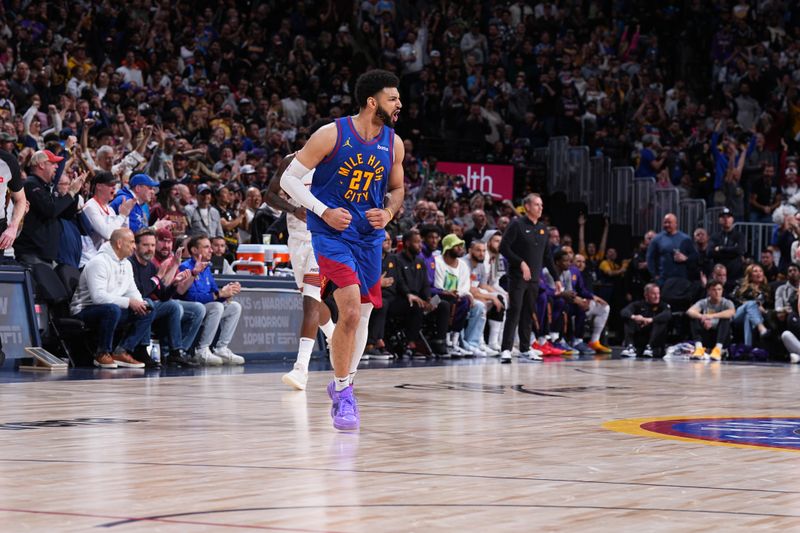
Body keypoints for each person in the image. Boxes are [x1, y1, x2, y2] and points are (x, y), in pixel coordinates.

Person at [280, 69, 404, 430]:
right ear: (372, 102)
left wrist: (390, 211)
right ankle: (346, 394)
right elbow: (288, 179)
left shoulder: (394, 143)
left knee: (362, 314)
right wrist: (322, 211)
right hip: (331, 234)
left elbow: (397, 190)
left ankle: (341, 383)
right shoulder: (331, 134)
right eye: (393, 98)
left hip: (368, 237)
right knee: (348, 310)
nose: (399, 104)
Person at [265, 146, 336, 390]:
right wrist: (293, 209)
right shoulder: (291, 161)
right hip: (296, 240)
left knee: (310, 299)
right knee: (312, 300)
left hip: (323, 241)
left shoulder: (339, 164)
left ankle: (300, 369)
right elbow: (270, 195)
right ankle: (336, 338)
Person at [69, 228, 154, 369]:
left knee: (148, 308)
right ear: (119, 243)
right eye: (132, 242)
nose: (134, 246)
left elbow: (131, 290)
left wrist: (141, 303)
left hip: (111, 309)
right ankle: (102, 353)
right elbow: (98, 298)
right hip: (84, 310)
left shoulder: (126, 264)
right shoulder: (98, 262)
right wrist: (129, 302)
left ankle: (122, 351)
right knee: (112, 309)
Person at [129, 228, 205, 368]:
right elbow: (141, 292)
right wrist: (159, 276)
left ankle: (175, 352)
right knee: (149, 303)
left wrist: (174, 284)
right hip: (133, 305)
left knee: (172, 305)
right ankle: (142, 350)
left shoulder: (150, 266)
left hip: (151, 304)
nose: (149, 249)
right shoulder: (131, 264)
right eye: (146, 245)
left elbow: (163, 295)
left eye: (151, 245)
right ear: (136, 246)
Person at [498, 193, 561, 362]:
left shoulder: (542, 229)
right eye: (537, 205)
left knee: (528, 312)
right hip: (517, 277)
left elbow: (547, 256)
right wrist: (521, 263)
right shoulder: (516, 225)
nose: (540, 208)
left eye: (541, 205)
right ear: (527, 207)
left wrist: (556, 278)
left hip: (534, 279)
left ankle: (525, 349)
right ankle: (506, 349)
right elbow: (504, 248)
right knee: (515, 310)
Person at [178, 234, 245, 366]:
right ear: (194, 250)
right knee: (217, 307)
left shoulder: (206, 268)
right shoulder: (185, 267)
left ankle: (221, 348)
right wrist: (219, 294)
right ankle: (202, 349)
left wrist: (227, 292)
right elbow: (190, 297)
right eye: (206, 247)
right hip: (192, 309)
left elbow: (215, 292)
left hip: (207, 308)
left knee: (234, 307)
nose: (211, 250)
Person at [15, 150, 83, 266]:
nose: (56, 167)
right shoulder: (31, 185)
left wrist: (75, 192)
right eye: (53, 163)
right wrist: (70, 192)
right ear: (41, 165)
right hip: (32, 253)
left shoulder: (45, 187)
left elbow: (65, 214)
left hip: (44, 254)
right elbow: (50, 210)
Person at [393, 228, 451, 357]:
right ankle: (411, 343)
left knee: (443, 305)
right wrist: (409, 294)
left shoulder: (420, 261)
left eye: (421, 242)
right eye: (417, 242)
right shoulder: (396, 259)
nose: (421, 245)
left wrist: (429, 298)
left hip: (419, 299)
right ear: (407, 243)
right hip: (401, 298)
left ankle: (439, 341)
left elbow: (425, 284)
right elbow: (399, 281)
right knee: (417, 306)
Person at [81, 171, 135, 266]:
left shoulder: (110, 210)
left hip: (104, 260)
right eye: (110, 185)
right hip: (89, 261)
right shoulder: (90, 207)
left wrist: (125, 215)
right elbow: (108, 234)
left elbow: (124, 234)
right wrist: (122, 215)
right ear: (99, 186)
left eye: (115, 185)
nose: (114, 187)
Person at [686, 280, 735, 361]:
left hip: (722, 337)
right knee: (694, 318)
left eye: (719, 289)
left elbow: (731, 312)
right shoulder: (704, 302)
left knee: (725, 320)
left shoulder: (727, 302)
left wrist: (711, 316)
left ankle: (718, 350)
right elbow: (690, 311)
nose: (717, 292)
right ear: (708, 291)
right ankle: (699, 348)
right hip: (707, 334)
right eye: (714, 290)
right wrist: (702, 317)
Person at [619, 283, 671, 358]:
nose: (657, 296)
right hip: (640, 332)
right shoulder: (638, 304)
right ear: (646, 295)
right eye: (653, 294)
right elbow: (624, 311)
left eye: (658, 293)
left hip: (656, 336)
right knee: (629, 319)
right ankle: (630, 347)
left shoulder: (663, 305)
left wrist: (651, 319)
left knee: (660, 321)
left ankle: (650, 347)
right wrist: (634, 317)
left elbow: (668, 314)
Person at [646, 213, 697, 284]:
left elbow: (695, 256)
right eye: (665, 222)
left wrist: (686, 259)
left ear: (676, 224)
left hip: (682, 280)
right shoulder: (656, 239)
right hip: (663, 280)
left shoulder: (685, 239)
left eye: (669, 222)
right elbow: (650, 258)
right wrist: (655, 276)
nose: (667, 225)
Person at [709, 207, 745, 291]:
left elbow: (739, 250)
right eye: (723, 217)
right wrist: (731, 250)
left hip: (734, 274)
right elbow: (710, 252)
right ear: (719, 220)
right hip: (718, 276)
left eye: (728, 217)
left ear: (732, 219)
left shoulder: (739, 236)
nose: (726, 219)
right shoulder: (715, 236)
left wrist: (721, 248)